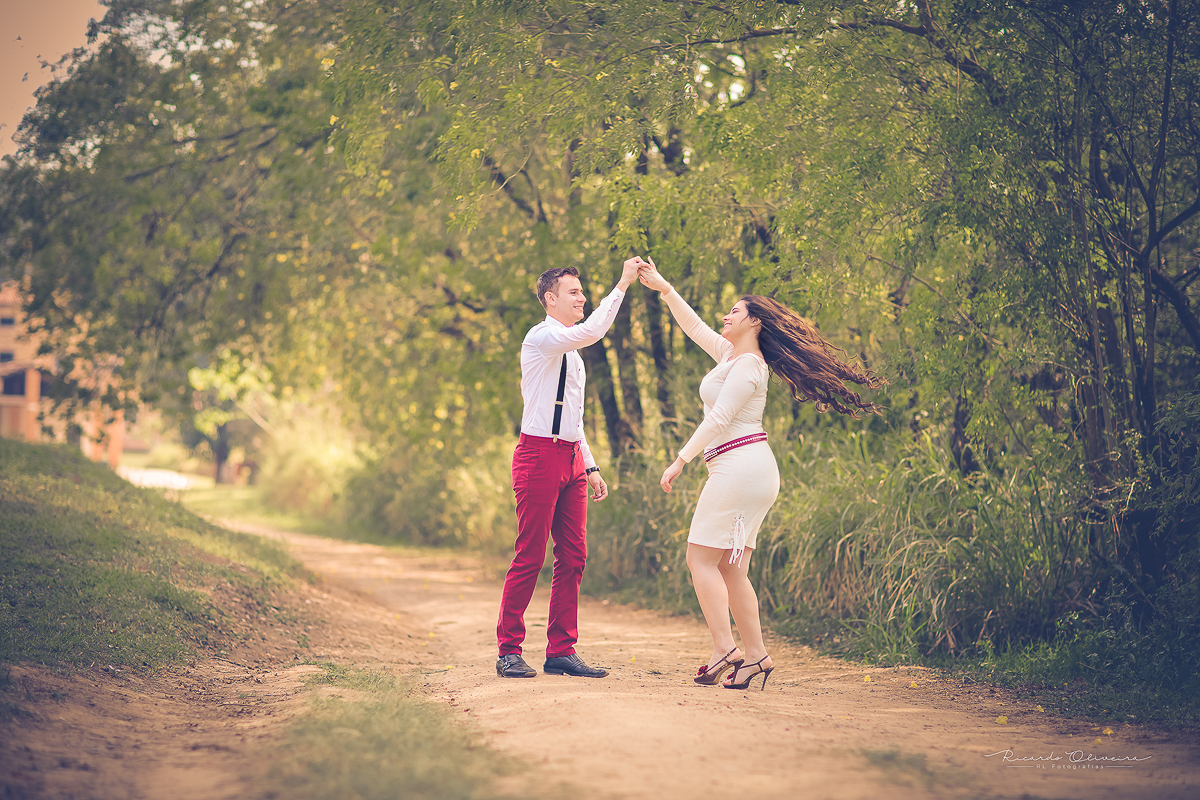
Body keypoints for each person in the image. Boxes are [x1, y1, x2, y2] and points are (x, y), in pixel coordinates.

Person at [637, 259, 884, 690]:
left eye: (733, 311)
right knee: (732, 570)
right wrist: (664, 288)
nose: (724, 317)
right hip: (748, 469)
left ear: (753, 320)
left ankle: (723, 649)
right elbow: (695, 328)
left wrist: (680, 459)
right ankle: (755, 657)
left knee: (699, 558)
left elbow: (719, 418)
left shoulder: (750, 367)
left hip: (740, 467)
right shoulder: (732, 357)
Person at [496, 257, 645, 679]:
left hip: (572, 458)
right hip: (538, 456)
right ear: (550, 299)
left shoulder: (572, 354)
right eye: (574, 292)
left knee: (574, 555)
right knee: (530, 554)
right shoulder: (542, 337)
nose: (583, 297)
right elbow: (594, 331)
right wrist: (623, 284)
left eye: (583, 292)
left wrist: (591, 464)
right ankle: (509, 649)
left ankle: (561, 650)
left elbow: (573, 415)